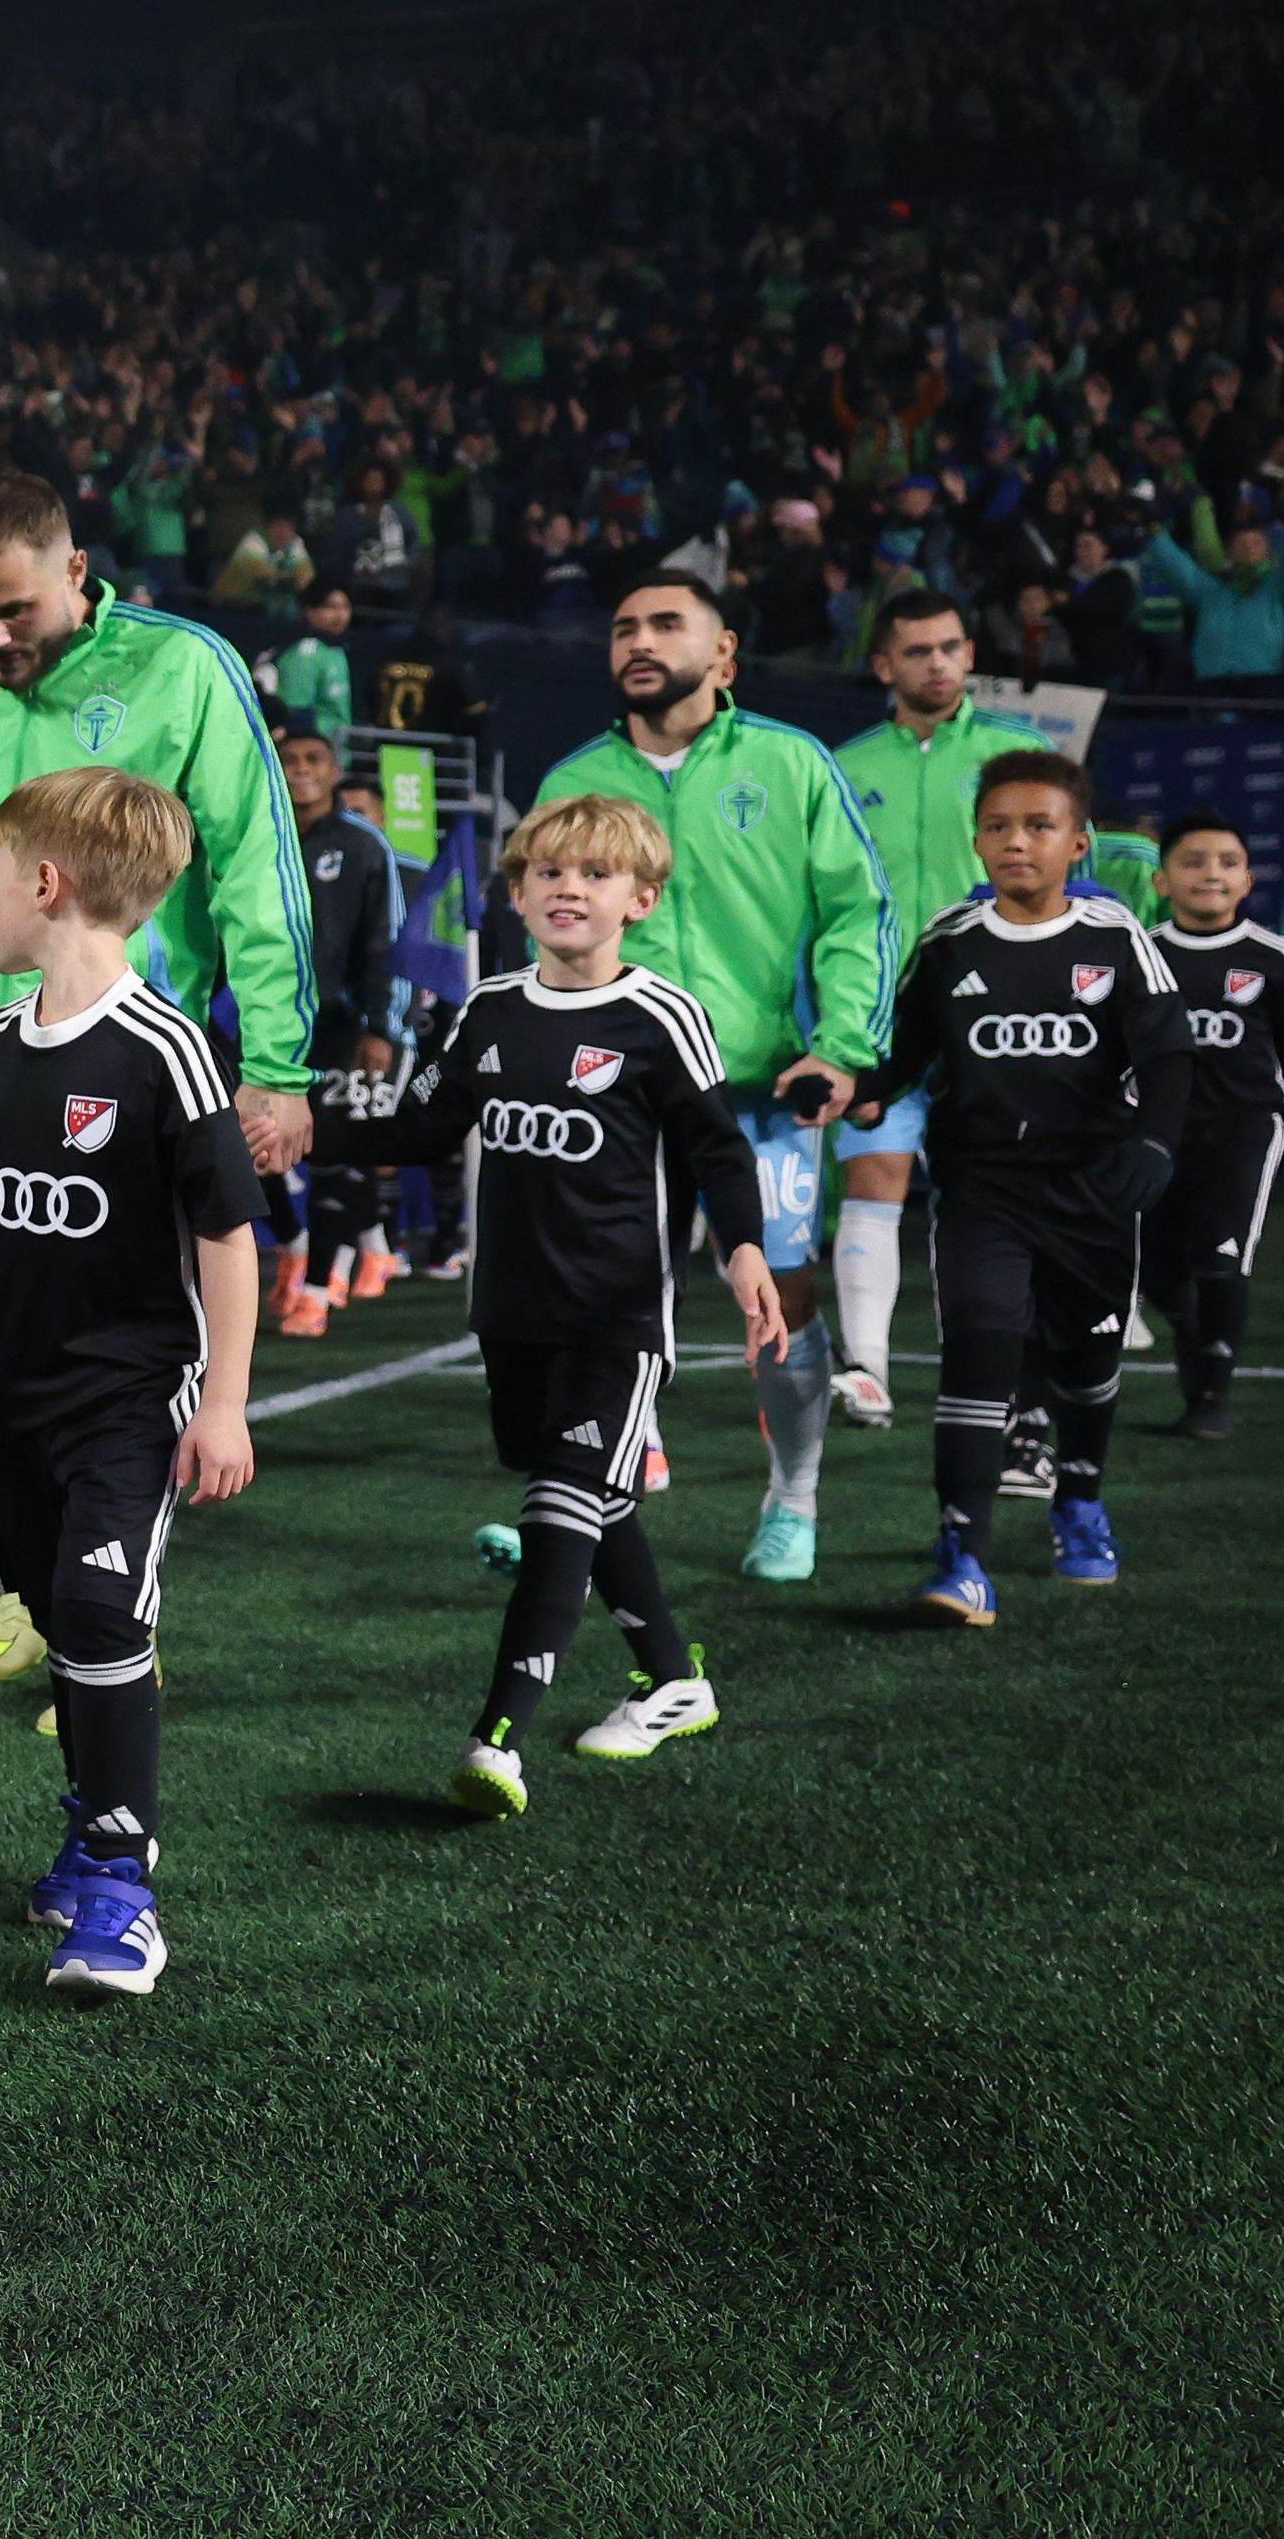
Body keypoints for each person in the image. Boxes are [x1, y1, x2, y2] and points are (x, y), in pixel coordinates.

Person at [0, 769, 261, 1997]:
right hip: (11, 1400)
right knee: (49, 1616)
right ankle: (87, 1829)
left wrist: (226, 1397)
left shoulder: (165, 1051)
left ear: (46, 885)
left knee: (98, 1614)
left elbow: (228, 1233)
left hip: (128, 1398)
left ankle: (122, 1888)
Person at [314, 793, 780, 1816]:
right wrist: (303, 1131)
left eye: (597, 873)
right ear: (518, 893)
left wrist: (745, 1249)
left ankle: (496, 1743)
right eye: (550, 872)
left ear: (642, 901)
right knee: (593, 1500)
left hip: (617, 1319)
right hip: (511, 1313)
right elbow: (421, 1132)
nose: (571, 887)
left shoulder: (661, 1016)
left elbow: (716, 1148)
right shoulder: (488, 1011)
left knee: (560, 1503)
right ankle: (673, 1680)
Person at [0, 471, 312, 1518]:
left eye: (13, 610)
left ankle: (94, 1580)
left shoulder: (184, 667)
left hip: (122, 1067)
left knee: (93, 1350)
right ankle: (35, 1562)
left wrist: (280, 1068)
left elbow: (254, 864)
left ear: (76, 570)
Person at [532, 572, 892, 1585]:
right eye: (623, 626)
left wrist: (845, 1043)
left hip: (755, 1085)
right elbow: (543, 929)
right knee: (598, 1290)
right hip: (610, 1090)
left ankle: (794, 1499)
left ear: (723, 654)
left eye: (664, 625)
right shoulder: (574, 781)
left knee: (778, 1290)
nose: (638, 641)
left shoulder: (791, 763)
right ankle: (589, 1491)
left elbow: (857, 911)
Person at [850, 753, 1187, 1621]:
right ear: (977, 839)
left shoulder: (1116, 941)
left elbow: (1167, 1054)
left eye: (1039, 827)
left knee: (1086, 1360)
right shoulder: (950, 939)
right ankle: (961, 1553)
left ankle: (1079, 1501)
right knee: (979, 1345)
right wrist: (870, 1090)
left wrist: (1152, 1141)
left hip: (1092, 1188)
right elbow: (911, 1044)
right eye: (999, 826)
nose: (1016, 842)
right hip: (980, 1184)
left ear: (1078, 843)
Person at [822, 591, 1051, 1427]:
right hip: (881, 1016)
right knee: (874, 1179)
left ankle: (1005, 1376)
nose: (940, 663)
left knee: (995, 1194)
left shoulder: (1019, 752)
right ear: (884, 666)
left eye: (952, 647)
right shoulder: (841, 768)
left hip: (1002, 1015)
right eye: (918, 651)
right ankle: (869, 1370)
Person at [1141, 813, 1284, 1438]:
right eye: (1192, 862)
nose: (1210, 874)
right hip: (1156, 1134)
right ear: (1161, 881)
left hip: (1242, 1129)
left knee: (1222, 1257)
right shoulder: (1141, 955)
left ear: (1248, 880)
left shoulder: (1276, 958)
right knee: (1156, 1270)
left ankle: (1211, 1395)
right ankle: (1192, 1331)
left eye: (1226, 862)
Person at [276, 728, 405, 1331]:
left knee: (333, 1155)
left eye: (312, 759)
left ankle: (318, 1289)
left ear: (333, 770)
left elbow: (385, 942)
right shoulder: (257, 835)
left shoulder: (363, 846)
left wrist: (380, 1025)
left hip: (338, 1024)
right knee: (246, 1151)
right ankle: (297, 1245)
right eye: (289, 760)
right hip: (261, 1019)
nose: (300, 770)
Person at [262, 580, 354, 736]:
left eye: (345, 607)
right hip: (311, 750)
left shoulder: (338, 651)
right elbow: (294, 714)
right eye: (330, 607)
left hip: (339, 752)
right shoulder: (304, 653)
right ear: (309, 611)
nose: (340, 615)